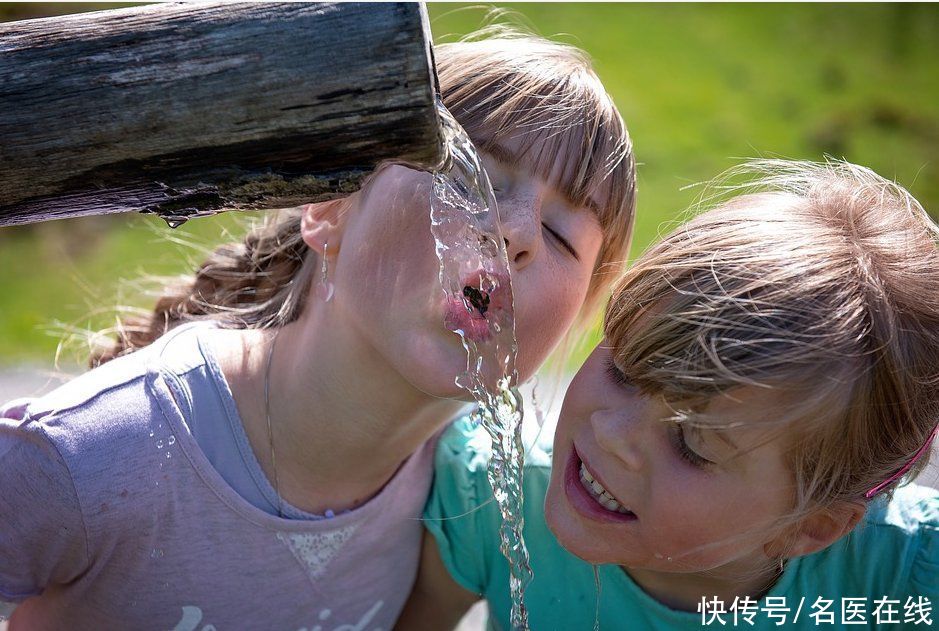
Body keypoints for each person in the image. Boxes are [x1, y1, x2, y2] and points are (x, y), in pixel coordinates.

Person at [0, 33, 636, 630]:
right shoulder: (93, 453)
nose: (516, 233)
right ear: (330, 209)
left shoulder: (465, 502)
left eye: (561, 236)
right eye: (471, 179)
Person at [404, 159, 939, 630]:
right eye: (625, 371)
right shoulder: (494, 501)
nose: (612, 435)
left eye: (691, 444)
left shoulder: (901, 584)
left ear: (809, 527)